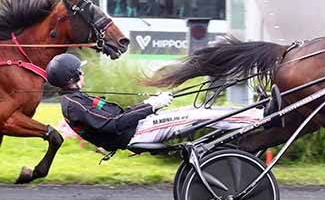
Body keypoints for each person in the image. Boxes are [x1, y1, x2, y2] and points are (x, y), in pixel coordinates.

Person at [45, 54, 261, 151]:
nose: (83, 74)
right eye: (79, 72)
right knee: (199, 115)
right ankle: (259, 118)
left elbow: (119, 116)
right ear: (71, 77)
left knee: (197, 110)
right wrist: (152, 106)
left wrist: (147, 104)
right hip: (138, 134)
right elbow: (114, 124)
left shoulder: (76, 100)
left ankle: (253, 113)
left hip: (140, 127)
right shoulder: (75, 106)